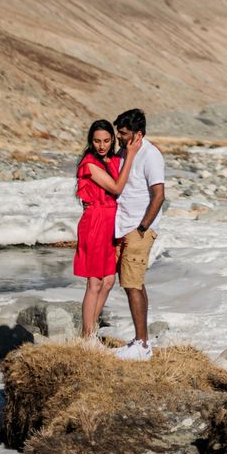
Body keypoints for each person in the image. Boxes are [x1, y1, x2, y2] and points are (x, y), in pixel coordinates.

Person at [74, 118, 142, 341]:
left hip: (112, 221)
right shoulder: (89, 163)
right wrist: (131, 154)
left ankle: (91, 330)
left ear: (112, 139)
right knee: (94, 281)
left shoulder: (113, 159)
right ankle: (88, 336)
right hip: (95, 221)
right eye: (96, 141)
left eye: (106, 140)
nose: (101, 145)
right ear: (90, 141)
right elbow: (116, 187)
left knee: (109, 281)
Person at [111, 108, 166, 360]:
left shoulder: (150, 155)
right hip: (122, 224)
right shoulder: (125, 151)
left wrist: (143, 228)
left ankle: (142, 345)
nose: (118, 137)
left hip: (138, 228)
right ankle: (139, 341)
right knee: (133, 283)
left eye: (123, 133)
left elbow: (159, 195)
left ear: (137, 133)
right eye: (118, 133)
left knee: (132, 283)